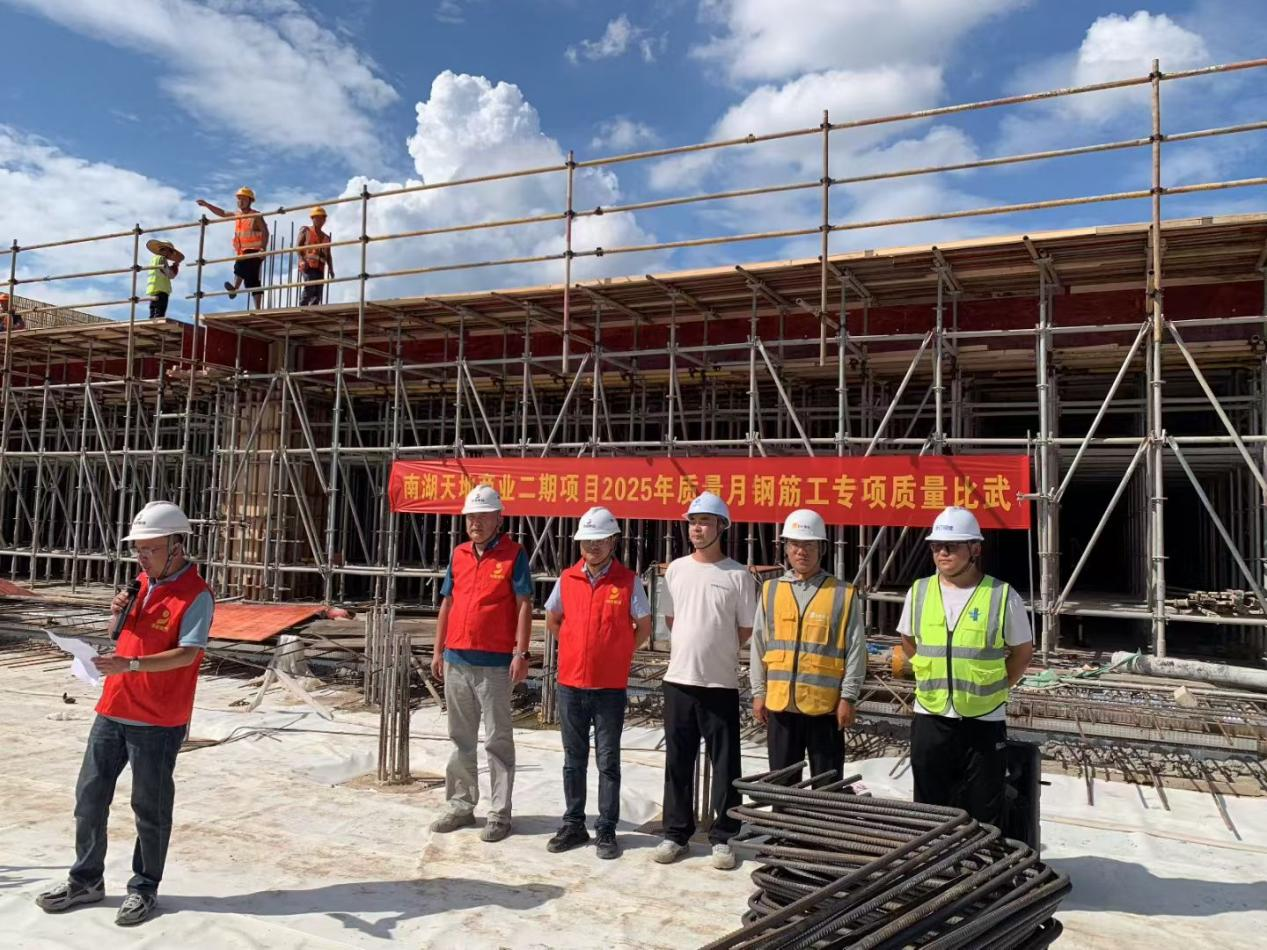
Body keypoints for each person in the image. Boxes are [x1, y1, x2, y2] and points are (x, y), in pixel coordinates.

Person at [36, 501, 215, 927]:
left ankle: (144, 887)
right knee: (89, 797)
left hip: (157, 719)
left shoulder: (196, 595)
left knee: (149, 808)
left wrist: (130, 665)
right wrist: (117, 614)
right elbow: (122, 637)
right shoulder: (141, 584)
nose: (142, 557)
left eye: (151, 549)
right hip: (114, 708)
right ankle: (85, 880)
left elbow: (188, 654)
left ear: (177, 546)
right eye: (138, 550)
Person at [898, 506, 1034, 827]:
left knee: (983, 809)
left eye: (951, 546)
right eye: (936, 546)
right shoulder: (919, 591)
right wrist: (927, 671)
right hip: (931, 714)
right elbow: (908, 640)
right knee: (929, 809)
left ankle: (979, 860)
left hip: (983, 720)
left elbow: (1022, 652)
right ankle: (934, 858)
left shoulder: (1001, 595)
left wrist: (996, 686)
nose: (942, 553)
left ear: (975, 549)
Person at [654, 492, 756, 870]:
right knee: (678, 761)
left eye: (705, 522)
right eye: (693, 522)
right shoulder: (676, 570)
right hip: (679, 678)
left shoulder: (738, 575)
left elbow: (745, 628)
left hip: (719, 683)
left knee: (725, 765)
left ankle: (724, 836)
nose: (697, 529)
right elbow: (671, 620)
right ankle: (675, 833)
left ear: (721, 527)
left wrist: (717, 648)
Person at [543, 506, 652, 860]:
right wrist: (573, 646)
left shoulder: (628, 581)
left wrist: (618, 652)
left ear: (613, 541)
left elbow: (644, 626)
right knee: (573, 759)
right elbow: (553, 619)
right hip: (570, 685)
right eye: (587, 540)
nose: (592, 546)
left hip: (608, 688)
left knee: (608, 760)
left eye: (600, 540)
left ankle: (606, 828)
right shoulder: (567, 579)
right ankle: (574, 823)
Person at [428, 484, 533, 842]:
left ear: (498, 519)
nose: (476, 523)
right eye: (471, 517)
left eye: (483, 517)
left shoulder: (513, 555)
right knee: (461, 738)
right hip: (456, 659)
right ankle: (460, 805)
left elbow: (523, 604)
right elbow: (448, 603)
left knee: (497, 740)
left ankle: (499, 813)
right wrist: (438, 650)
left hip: (494, 664)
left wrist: (521, 652)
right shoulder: (458, 554)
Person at [750, 509, 865, 784]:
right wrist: (758, 692)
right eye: (795, 544)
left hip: (825, 708)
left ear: (821, 548)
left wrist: (848, 698)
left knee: (827, 787)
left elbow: (856, 650)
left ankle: (822, 816)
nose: (801, 551)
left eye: (809, 545)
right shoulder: (771, 590)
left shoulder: (842, 593)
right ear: (786, 548)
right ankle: (782, 815)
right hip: (780, 706)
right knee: (781, 785)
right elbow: (758, 644)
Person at [196, 187, 268, 310]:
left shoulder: (255, 215)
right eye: (239, 199)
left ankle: (244, 296)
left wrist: (263, 249)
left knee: (248, 276)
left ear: (250, 201)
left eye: (244, 199)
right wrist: (207, 205)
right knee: (242, 271)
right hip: (242, 251)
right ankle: (236, 290)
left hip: (254, 250)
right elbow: (223, 213)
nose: (241, 201)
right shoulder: (237, 214)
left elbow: (265, 232)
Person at [297, 207, 334, 306]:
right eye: (318, 218)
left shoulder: (326, 237)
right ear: (312, 218)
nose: (321, 220)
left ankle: (312, 310)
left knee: (318, 293)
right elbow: (298, 247)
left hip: (320, 268)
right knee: (310, 287)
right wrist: (302, 260)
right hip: (308, 265)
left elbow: (328, 255)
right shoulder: (306, 230)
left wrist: (331, 269)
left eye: (322, 218)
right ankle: (302, 307)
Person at [144, 240, 184, 319]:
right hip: (161, 290)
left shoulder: (154, 259)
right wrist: (175, 266)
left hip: (154, 289)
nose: (170, 254)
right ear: (166, 250)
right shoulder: (162, 259)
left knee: (153, 312)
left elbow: (164, 271)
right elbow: (170, 274)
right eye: (171, 252)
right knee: (159, 313)